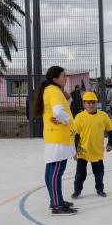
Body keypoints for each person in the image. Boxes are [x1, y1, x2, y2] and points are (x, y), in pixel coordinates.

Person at [34, 66, 77, 215]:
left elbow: (61, 108)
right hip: (59, 137)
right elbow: (59, 112)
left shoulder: (50, 91)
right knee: (56, 171)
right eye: (63, 76)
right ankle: (57, 205)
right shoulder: (54, 91)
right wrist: (66, 121)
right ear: (55, 79)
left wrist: (68, 98)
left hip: (53, 136)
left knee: (51, 170)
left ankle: (55, 200)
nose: (66, 78)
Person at [71, 92, 112, 198]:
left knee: (99, 174)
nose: (91, 105)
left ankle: (100, 189)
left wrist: (110, 143)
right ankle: (77, 191)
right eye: (88, 103)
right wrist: (75, 151)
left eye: (93, 102)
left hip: (97, 150)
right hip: (83, 151)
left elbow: (111, 129)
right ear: (84, 104)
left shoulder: (103, 115)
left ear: (96, 103)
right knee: (80, 175)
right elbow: (75, 135)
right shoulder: (79, 117)